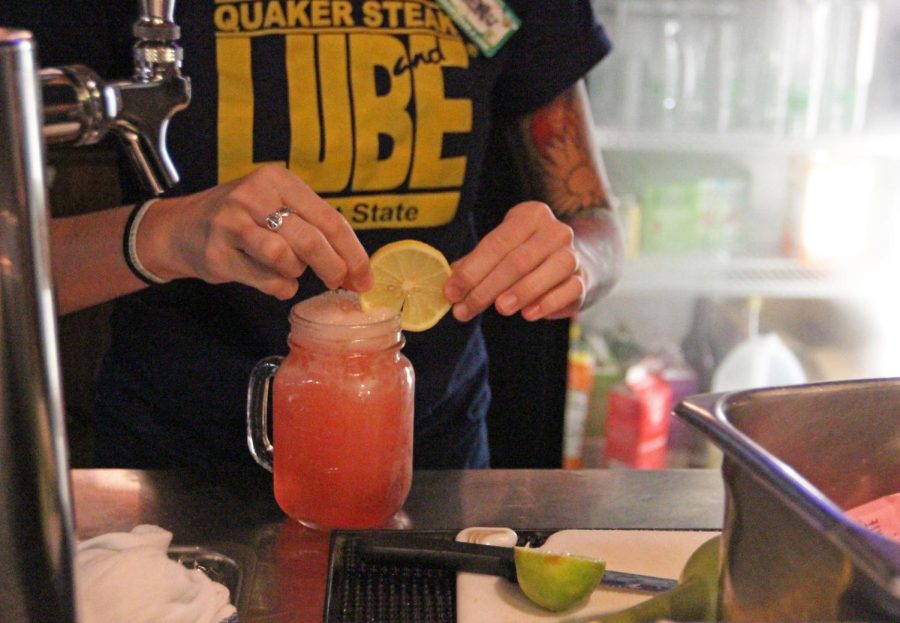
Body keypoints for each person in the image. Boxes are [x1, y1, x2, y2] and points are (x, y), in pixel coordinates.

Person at [6, 1, 623, 469]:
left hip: (430, 461)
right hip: (180, 470)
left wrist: (579, 261)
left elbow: (595, 223)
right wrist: (163, 234)